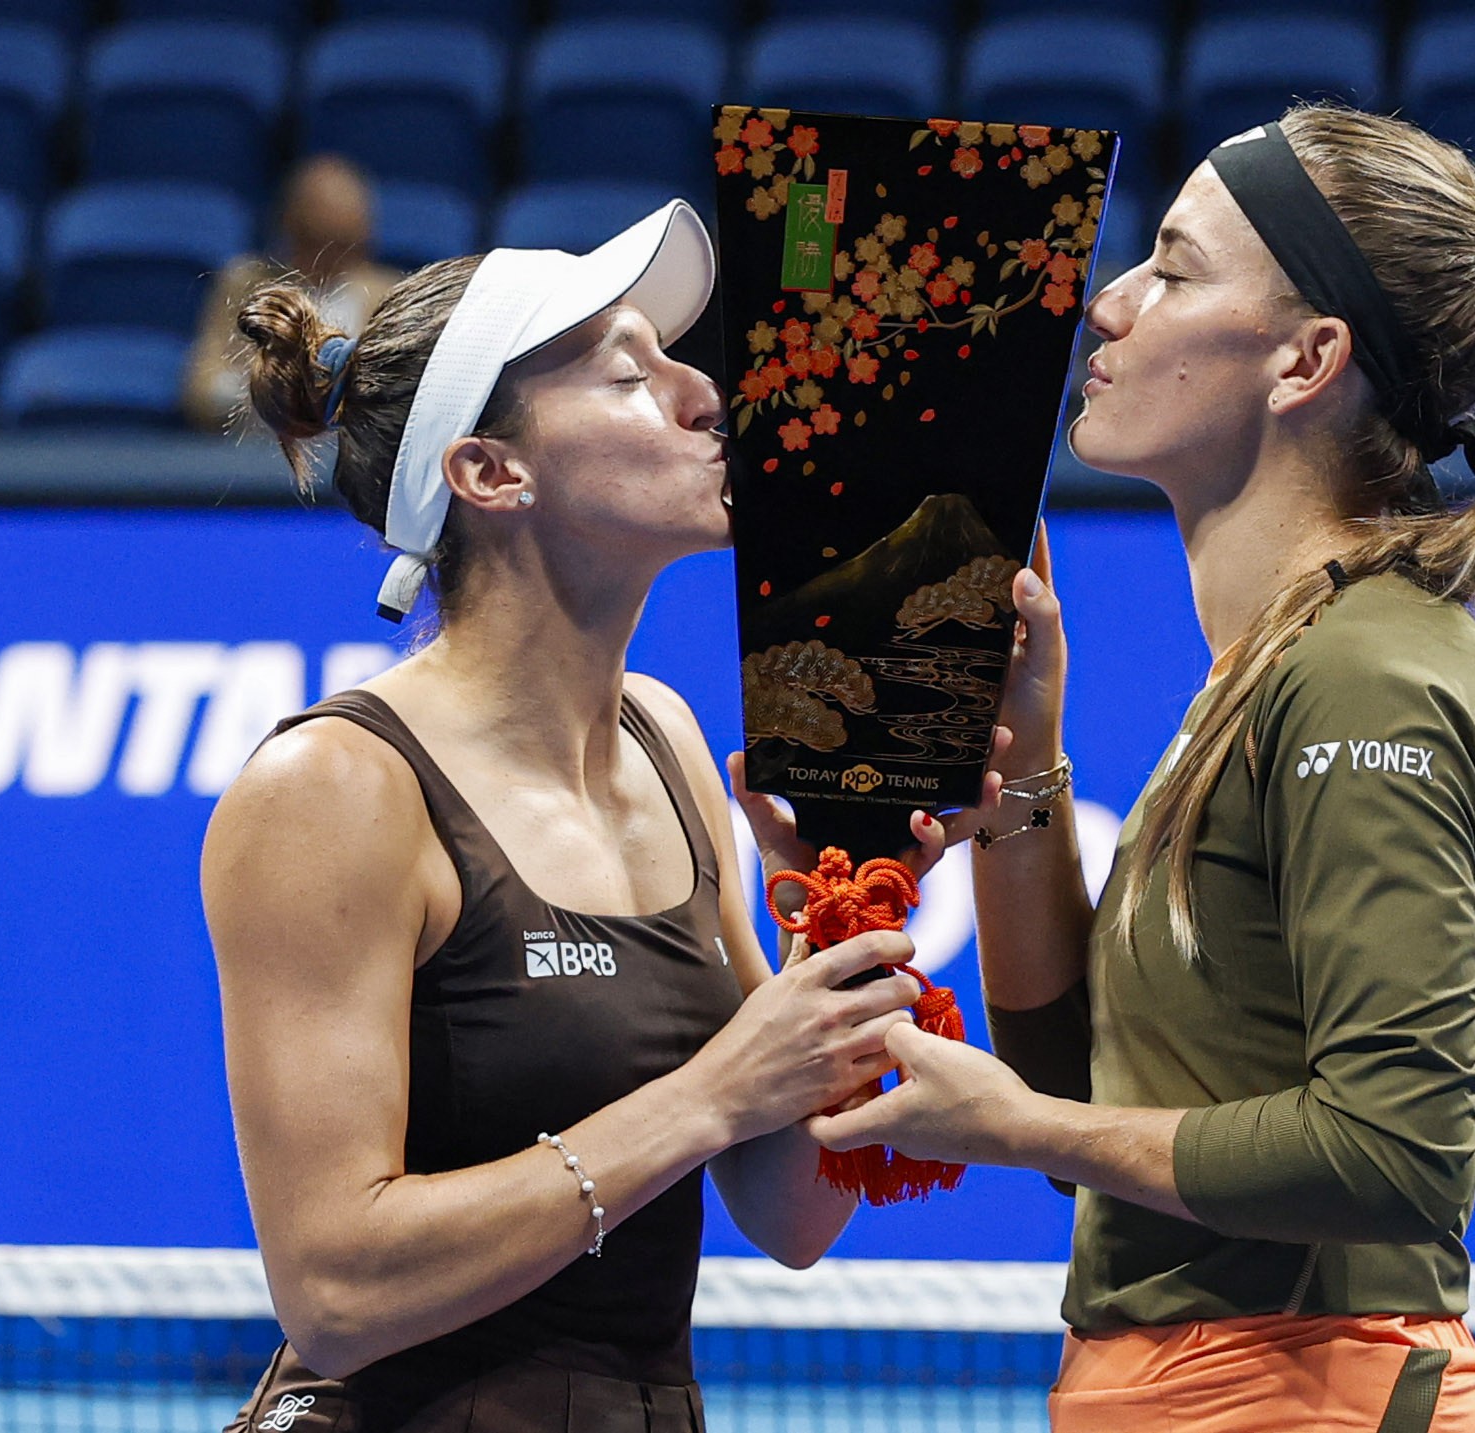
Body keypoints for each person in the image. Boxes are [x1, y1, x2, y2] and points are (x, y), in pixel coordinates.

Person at [806, 106, 1475, 1431]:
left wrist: (1014, 1128)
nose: (1110, 302)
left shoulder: (1366, 671)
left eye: (1174, 269)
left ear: (1307, 358)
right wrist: (1024, 785)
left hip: (1307, 1395)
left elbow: (1388, 1152)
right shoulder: (1268, 666)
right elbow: (1095, 1105)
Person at [201, 201, 938, 1433]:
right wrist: (706, 1093)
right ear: (492, 471)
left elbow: (789, 1211)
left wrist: (849, 908)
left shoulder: (667, 740)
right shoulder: (335, 788)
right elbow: (334, 1289)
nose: (704, 392)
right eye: (627, 373)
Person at [184, 155, 402, 433]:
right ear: (291, 228)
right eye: (318, 241)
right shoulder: (246, 284)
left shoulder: (386, 293)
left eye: (346, 245)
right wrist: (266, 387)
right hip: (252, 456)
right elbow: (199, 394)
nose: (332, 258)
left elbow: (398, 396)